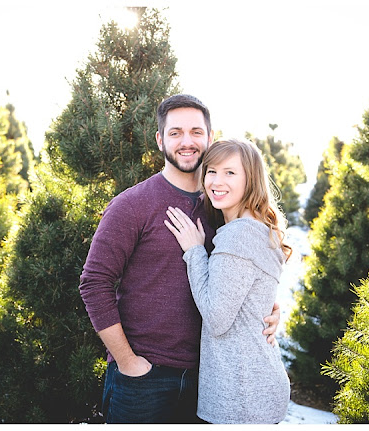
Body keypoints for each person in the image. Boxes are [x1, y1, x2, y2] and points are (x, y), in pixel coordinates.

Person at [78, 95, 282, 424]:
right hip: (145, 380)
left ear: (210, 136)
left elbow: (241, 275)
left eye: (196, 132)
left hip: (209, 380)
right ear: (160, 139)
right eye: (175, 133)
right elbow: (93, 284)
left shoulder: (222, 207)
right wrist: (128, 362)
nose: (187, 142)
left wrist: (268, 310)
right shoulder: (133, 204)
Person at [164, 138, 292, 424]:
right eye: (211, 171)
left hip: (241, 397)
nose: (216, 181)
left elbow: (216, 319)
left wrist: (195, 252)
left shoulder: (238, 235)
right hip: (257, 386)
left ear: (251, 179)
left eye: (230, 172)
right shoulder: (258, 228)